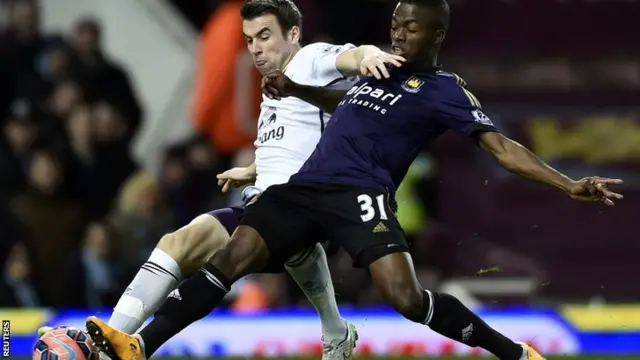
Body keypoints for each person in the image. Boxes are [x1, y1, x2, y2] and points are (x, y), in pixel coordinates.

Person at [85, 0, 624, 360]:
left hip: (361, 193)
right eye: (394, 23)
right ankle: (138, 346)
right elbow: (344, 104)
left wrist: (568, 185)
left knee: (406, 299)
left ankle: (516, 353)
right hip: (307, 185)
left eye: (410, 26)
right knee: (229, 258)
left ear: (436, 33)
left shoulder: (444, 90)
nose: (398, 31)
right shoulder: (380, 74)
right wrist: (298, 95)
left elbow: (501, 149)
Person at [78, 0, 404, 359]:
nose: (256, 47)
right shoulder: (273, 88)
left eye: (265, 36)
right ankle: (106, 342)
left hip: (301, 208)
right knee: (177, 242)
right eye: (249, 39)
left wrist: (370, 56)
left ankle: (138, 345)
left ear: (293, 33)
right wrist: (251, 169)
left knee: (235, 259)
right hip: (265, 203)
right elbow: (292, 145)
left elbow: (351, 55)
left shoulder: (310, 59)